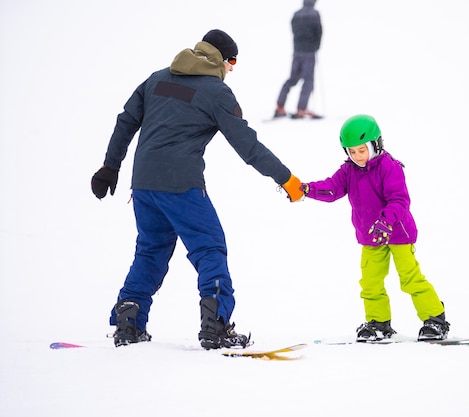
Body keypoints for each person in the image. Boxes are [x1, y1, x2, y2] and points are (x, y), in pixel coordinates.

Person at [91, 29, 305, 350]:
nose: (232, 68)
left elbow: (126, 121)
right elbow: (247, 146)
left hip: (145, 184)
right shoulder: (217, 93)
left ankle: (129, 321)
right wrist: (286, 178)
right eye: (232, 60)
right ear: (221, 58)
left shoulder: (156, 80)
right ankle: (215, 325)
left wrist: (110, 167)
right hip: (181, 184)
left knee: (150, 250)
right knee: (209, 247)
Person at [299, 114, 450, 342]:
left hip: (398, 233)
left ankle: (435, 319)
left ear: (376, 144)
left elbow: (400, 200)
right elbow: (332, 189)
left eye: (362, 150)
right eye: (352, 152)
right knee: (370, 283)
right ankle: (378, 323)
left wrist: (385, 222)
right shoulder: (348, 171)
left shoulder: (389, 168)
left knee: (409, 278)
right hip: (370, 238)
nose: (358, 156)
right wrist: (307, 189)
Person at [274, 0, 323, 119]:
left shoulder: (296, 14)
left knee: (292, 79)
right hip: (309, 51)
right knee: (308, 80)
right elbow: (319, 32)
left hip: (297, 51)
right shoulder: (314, 14)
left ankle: (280, 107)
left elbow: (293, 30)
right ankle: (301, 109)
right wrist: (315, 46)